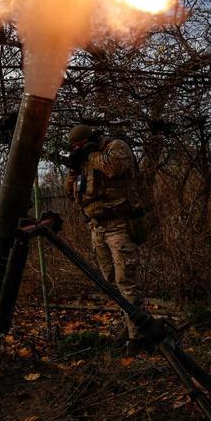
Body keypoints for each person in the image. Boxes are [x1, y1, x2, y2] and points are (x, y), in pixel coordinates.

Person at [64, 124, 148, 353]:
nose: (78, 150)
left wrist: (90, 154)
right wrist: (73, 169)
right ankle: (134, 324)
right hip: (97, 228)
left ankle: (139, 336)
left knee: (127, 280)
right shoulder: (83, 160)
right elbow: (70, 190)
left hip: (120, 225)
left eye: (80, 146)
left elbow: (113, 168)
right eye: (75, 148)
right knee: (110, 282)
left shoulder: (115, 148)